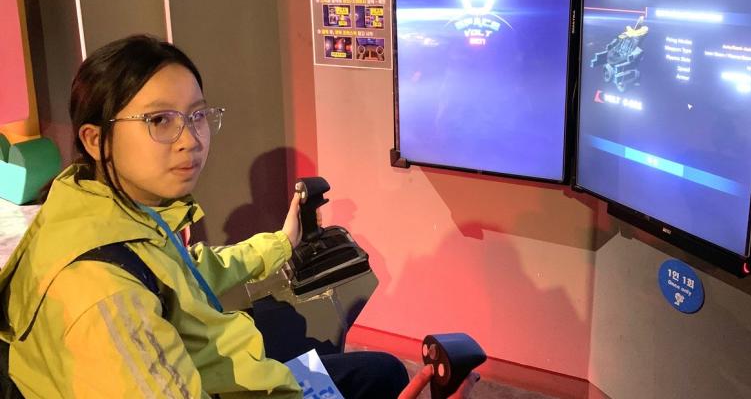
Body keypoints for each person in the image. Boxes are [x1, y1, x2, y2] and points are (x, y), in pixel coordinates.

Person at [0, 35, 474, 398]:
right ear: (93, 139)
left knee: (376, 369)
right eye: (159, 120)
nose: (191, 140)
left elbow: (185, 273)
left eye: (197, 115)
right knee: (380, 376)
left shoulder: (102, 208)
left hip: (221, 369)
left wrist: (280, 243)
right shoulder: (105, 297)